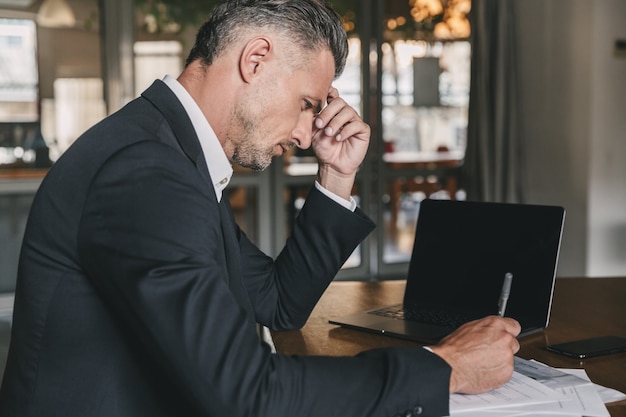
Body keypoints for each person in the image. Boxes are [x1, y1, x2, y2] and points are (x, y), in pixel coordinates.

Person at [0, 1, 520, 416]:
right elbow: (244, 395)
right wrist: (442, 367)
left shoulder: (168, 153)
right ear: (255, 59)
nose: (303, 134)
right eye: (307, 104)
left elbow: (276, 302)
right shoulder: (148, 173)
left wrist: (336, 175)